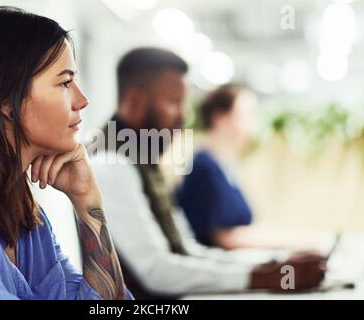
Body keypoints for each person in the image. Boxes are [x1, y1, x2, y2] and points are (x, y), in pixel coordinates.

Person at [0, 6, 132, 300]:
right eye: (65, 82)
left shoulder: (27, 218)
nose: (82, 100)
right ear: (7, 100)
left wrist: (87, 201)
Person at [89, 47, 326, 299]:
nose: (184, 114)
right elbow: (156, 271)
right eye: (173, 101)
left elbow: (188, 251)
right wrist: (267, 276)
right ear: (136, 100)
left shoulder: (141, 158)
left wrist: (272, 264)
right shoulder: (110, 163)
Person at [177, 84, 325, 251]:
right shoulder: (204, 167)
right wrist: (299, 242)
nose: (252, 125)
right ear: (220, 117)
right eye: (246, 115)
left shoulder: (224, 164)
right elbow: (223, 237)